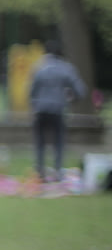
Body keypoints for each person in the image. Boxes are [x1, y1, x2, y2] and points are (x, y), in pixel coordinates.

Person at [29, 39, 87, 181]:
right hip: (58, 110)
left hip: (41, 110)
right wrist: (70, 99)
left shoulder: (38, 67)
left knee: (40, 142)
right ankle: (57, 171)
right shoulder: (66, 68)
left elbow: (31, 92)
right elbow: (81, 91)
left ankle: (40, 171)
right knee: (59, 142)